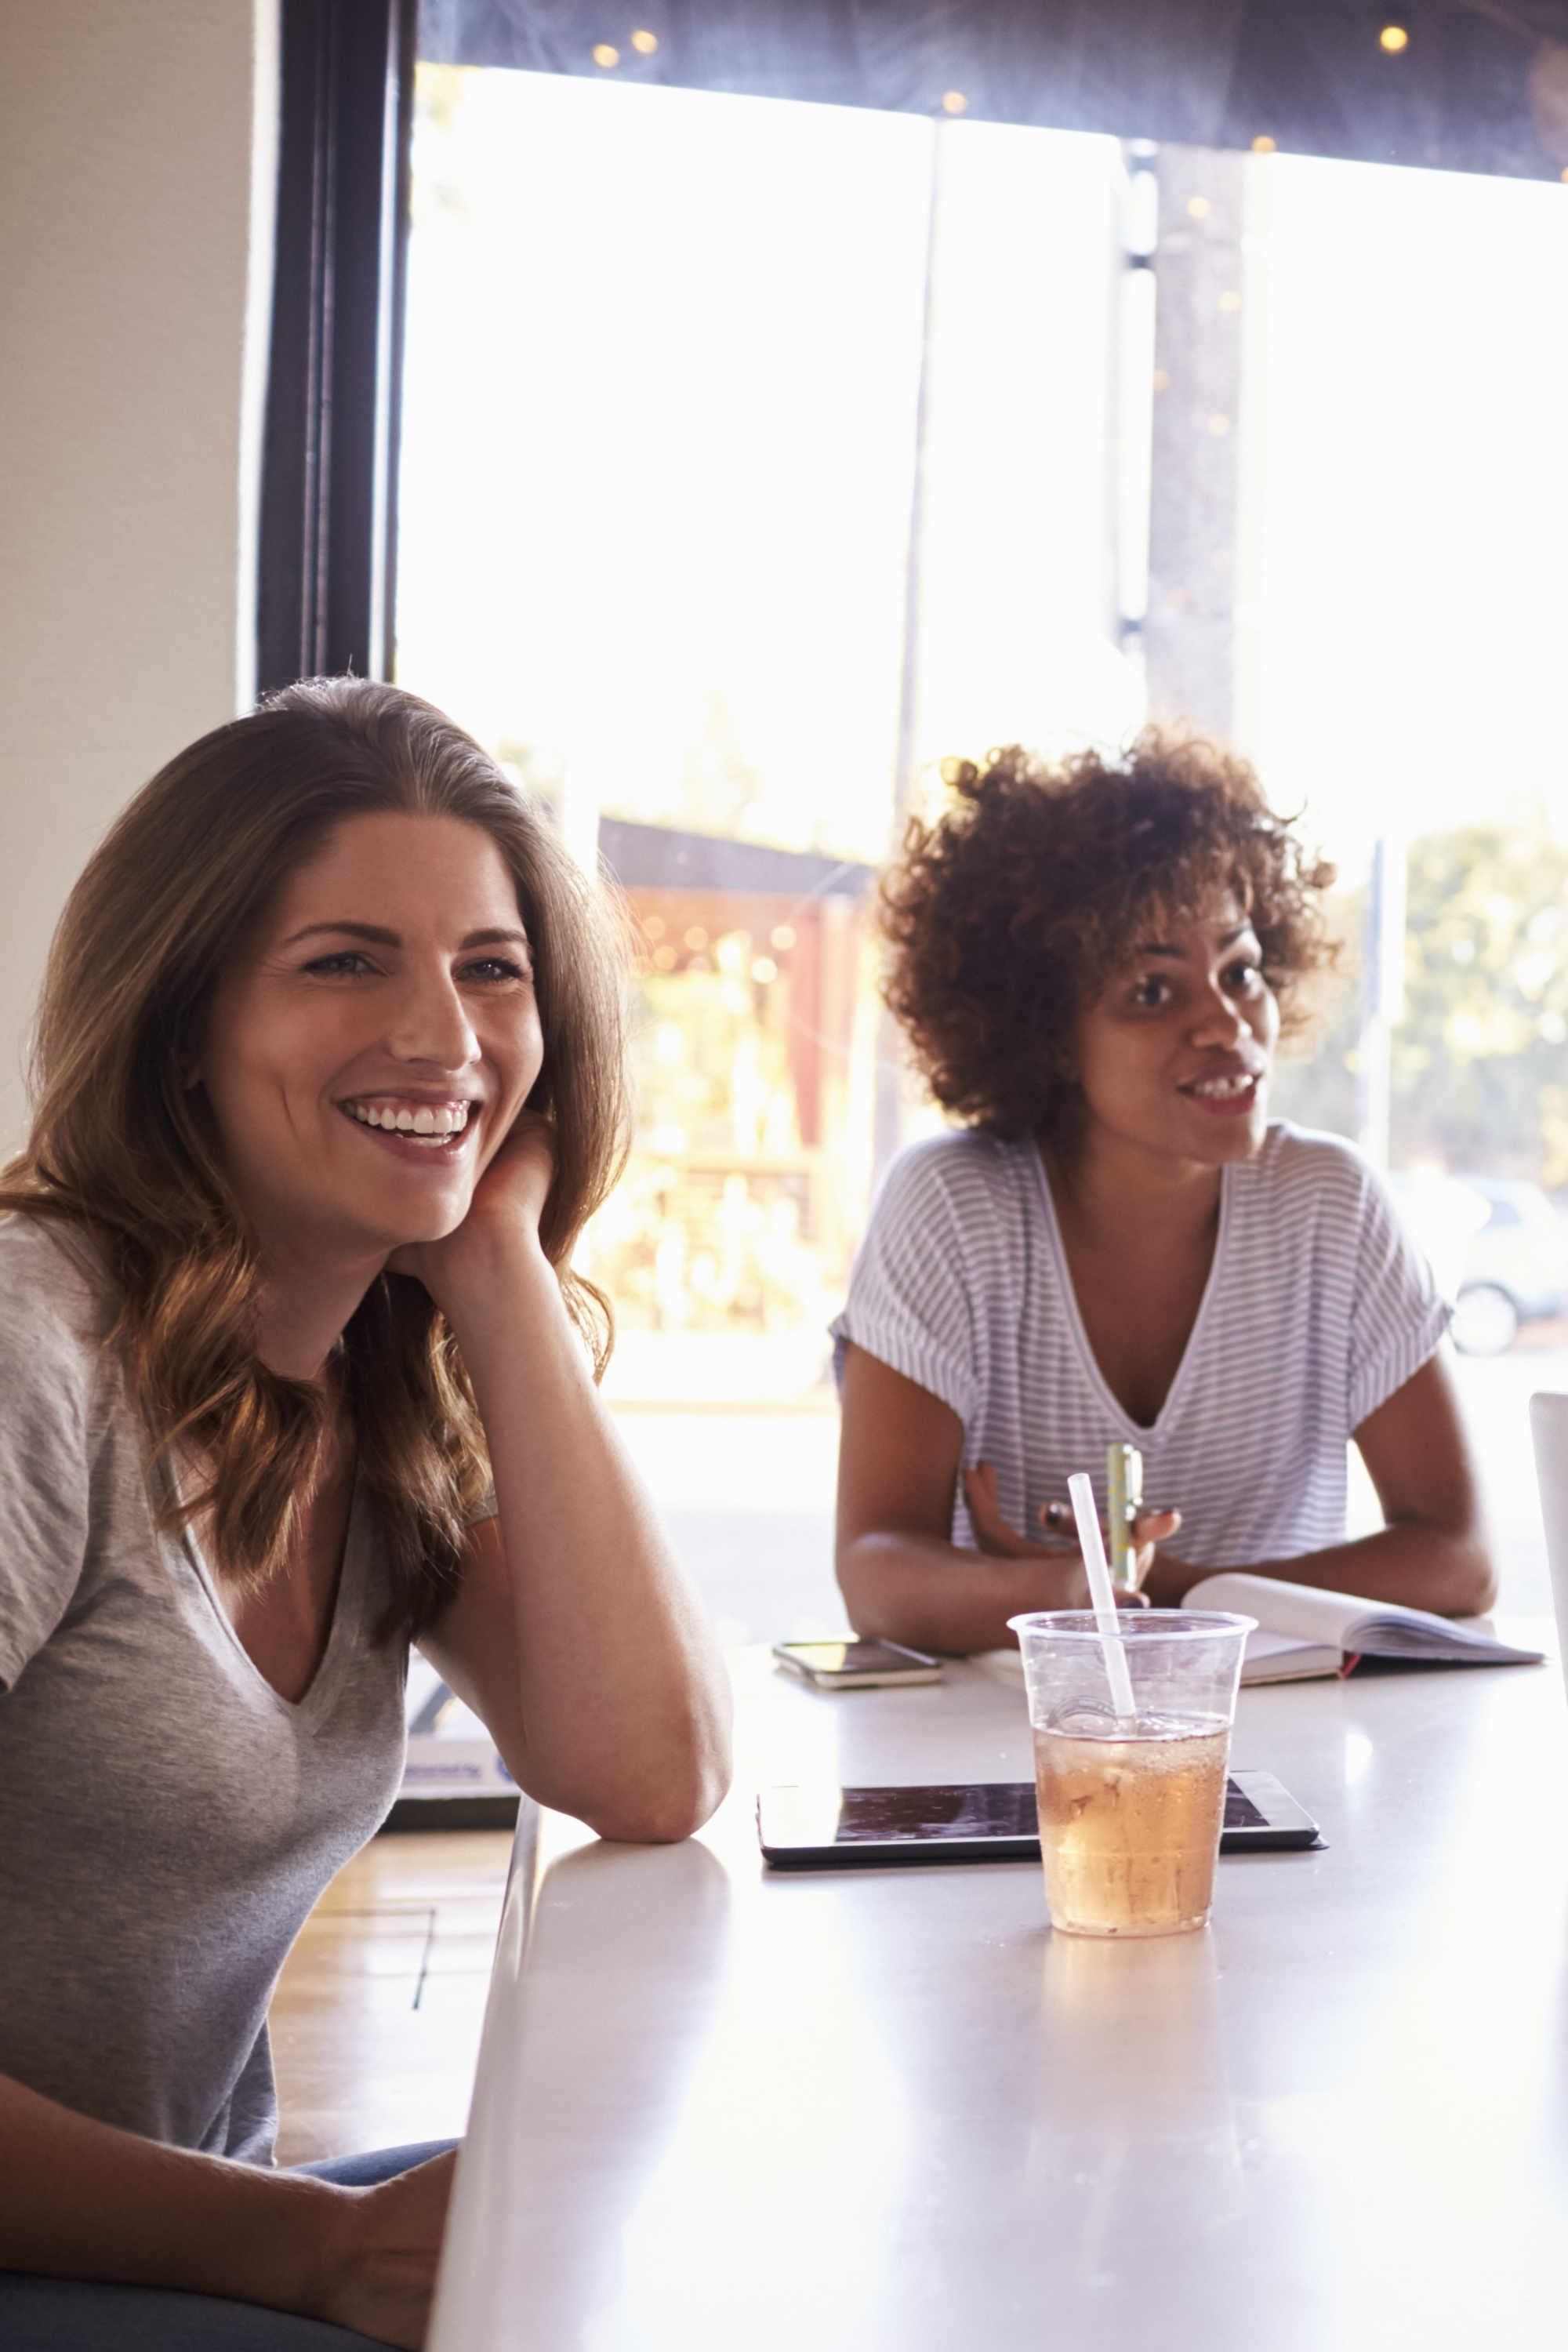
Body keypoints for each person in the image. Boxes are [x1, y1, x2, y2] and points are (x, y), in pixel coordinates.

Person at [0, 680, 731, 2349]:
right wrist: (310, 2258)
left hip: (173, 2235)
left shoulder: (375, 1387)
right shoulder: (33, 1346)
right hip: (126, 2261)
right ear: (184, 1020)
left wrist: (498, 1280)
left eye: (492, 969)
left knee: (668, 2226)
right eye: (346, 962)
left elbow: (650, 1768)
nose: (443, 1036)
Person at [833, 732, 1494, 1656]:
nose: (1225, 1022)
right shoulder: (953, 1209)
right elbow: (875, 1571)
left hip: (1286, 1741)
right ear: (1050, 1034)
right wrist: (1075, 1589)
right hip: (1020, 1743)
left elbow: (1458, 1559)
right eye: (1151, 989)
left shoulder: (1328, 1207)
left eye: (1240, 971)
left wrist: (1180, 1593)